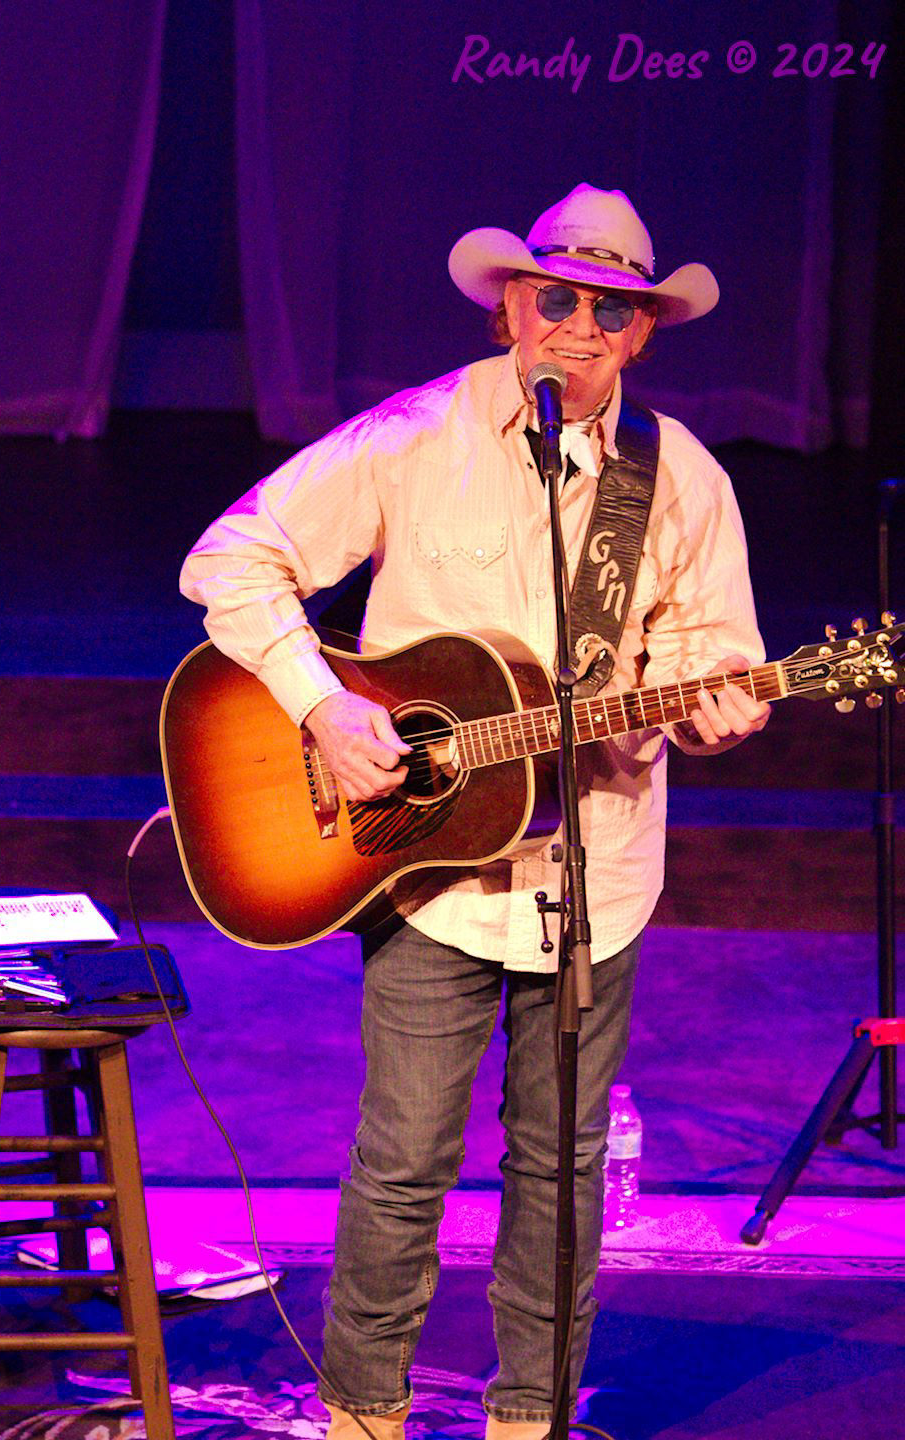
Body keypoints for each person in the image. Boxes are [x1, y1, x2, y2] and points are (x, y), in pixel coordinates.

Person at [179, 184, 768, 1439]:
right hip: (426, 870)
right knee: (402, 1165)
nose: (576, 329)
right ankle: (362, 1411)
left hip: (593, 877)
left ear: (643, 334)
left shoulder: (682, 480)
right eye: (555, 299)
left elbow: (718, 648)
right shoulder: (413, 436)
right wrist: (325, 708)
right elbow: (229, 557)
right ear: (512, 303)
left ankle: (528, 1420)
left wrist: (710, 707)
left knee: (560, 1178)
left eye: (609, 313)